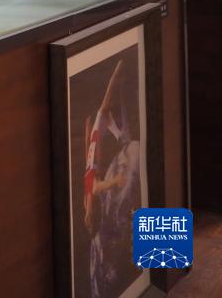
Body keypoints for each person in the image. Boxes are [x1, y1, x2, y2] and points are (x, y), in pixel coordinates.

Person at [82, 59, 141, 298]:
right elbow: (95, 185)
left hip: (100, 151)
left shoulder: (99, 137)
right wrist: (114, 182)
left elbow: (96, 186)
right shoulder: (90, 191)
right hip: (98, 158)